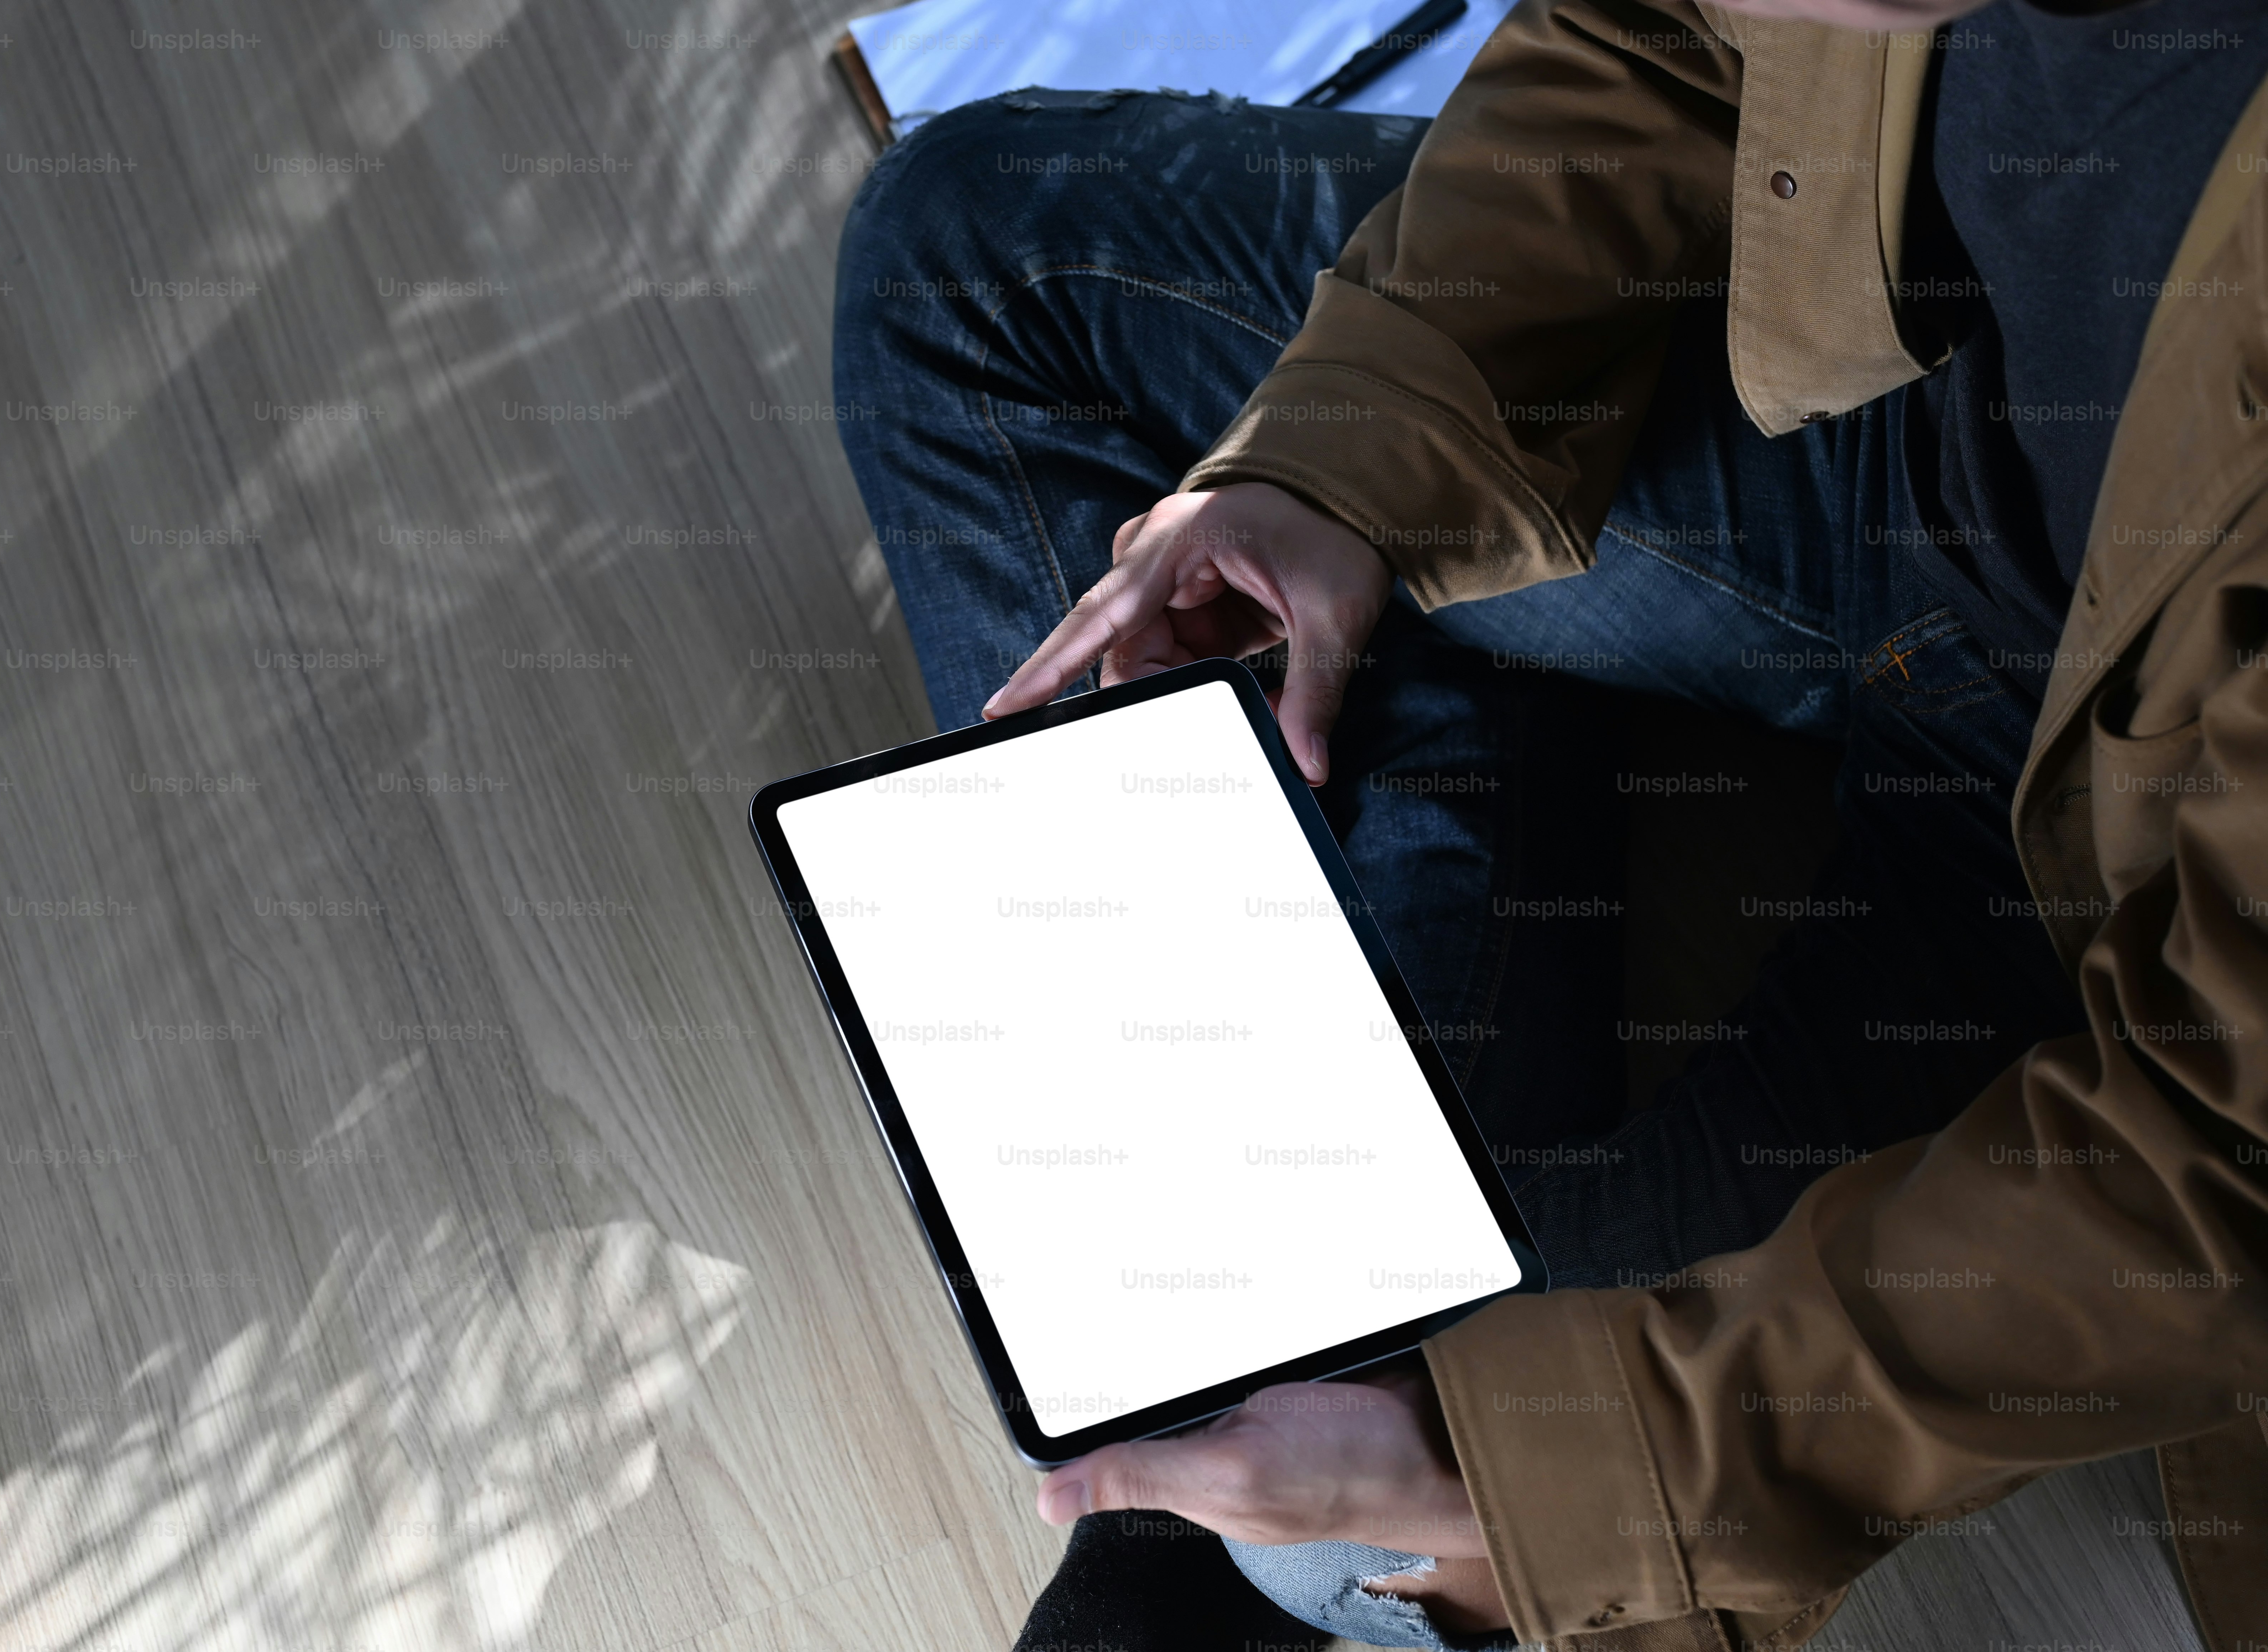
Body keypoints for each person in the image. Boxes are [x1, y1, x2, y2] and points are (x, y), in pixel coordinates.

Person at [829, 0, 2268, 1646]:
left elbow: (2218, 1166)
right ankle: (1420, 726)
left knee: (1333, 1534)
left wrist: (1517, 1483)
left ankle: (1256, 1419)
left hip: (2105, 898)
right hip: (1897, 425)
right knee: (966, 251)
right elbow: (1676, 33)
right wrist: (1340, 462)